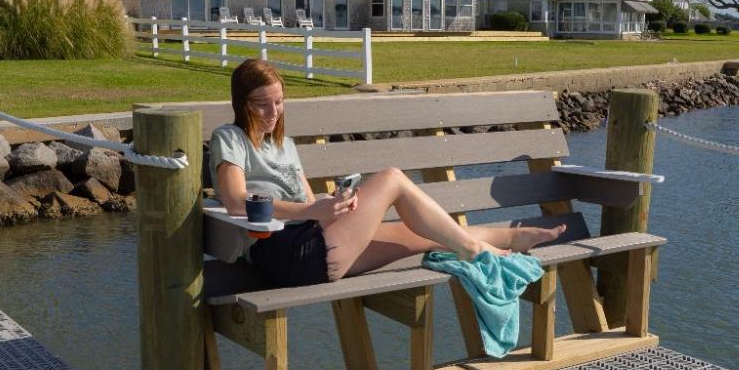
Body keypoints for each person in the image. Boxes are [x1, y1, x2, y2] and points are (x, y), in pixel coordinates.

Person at [209, 58, 565, 288]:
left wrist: (332, 204)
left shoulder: (282, 143)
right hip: (285, 254)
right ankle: (477, 251)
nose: (272, 112)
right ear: (242, 104)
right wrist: (309, 212)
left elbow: (305, 202)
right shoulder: (231, 138)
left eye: (279, 102)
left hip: (314, 241)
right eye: (261, 105)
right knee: (393, 178)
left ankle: (509, 239)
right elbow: (237, 201)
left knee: (425, 235)